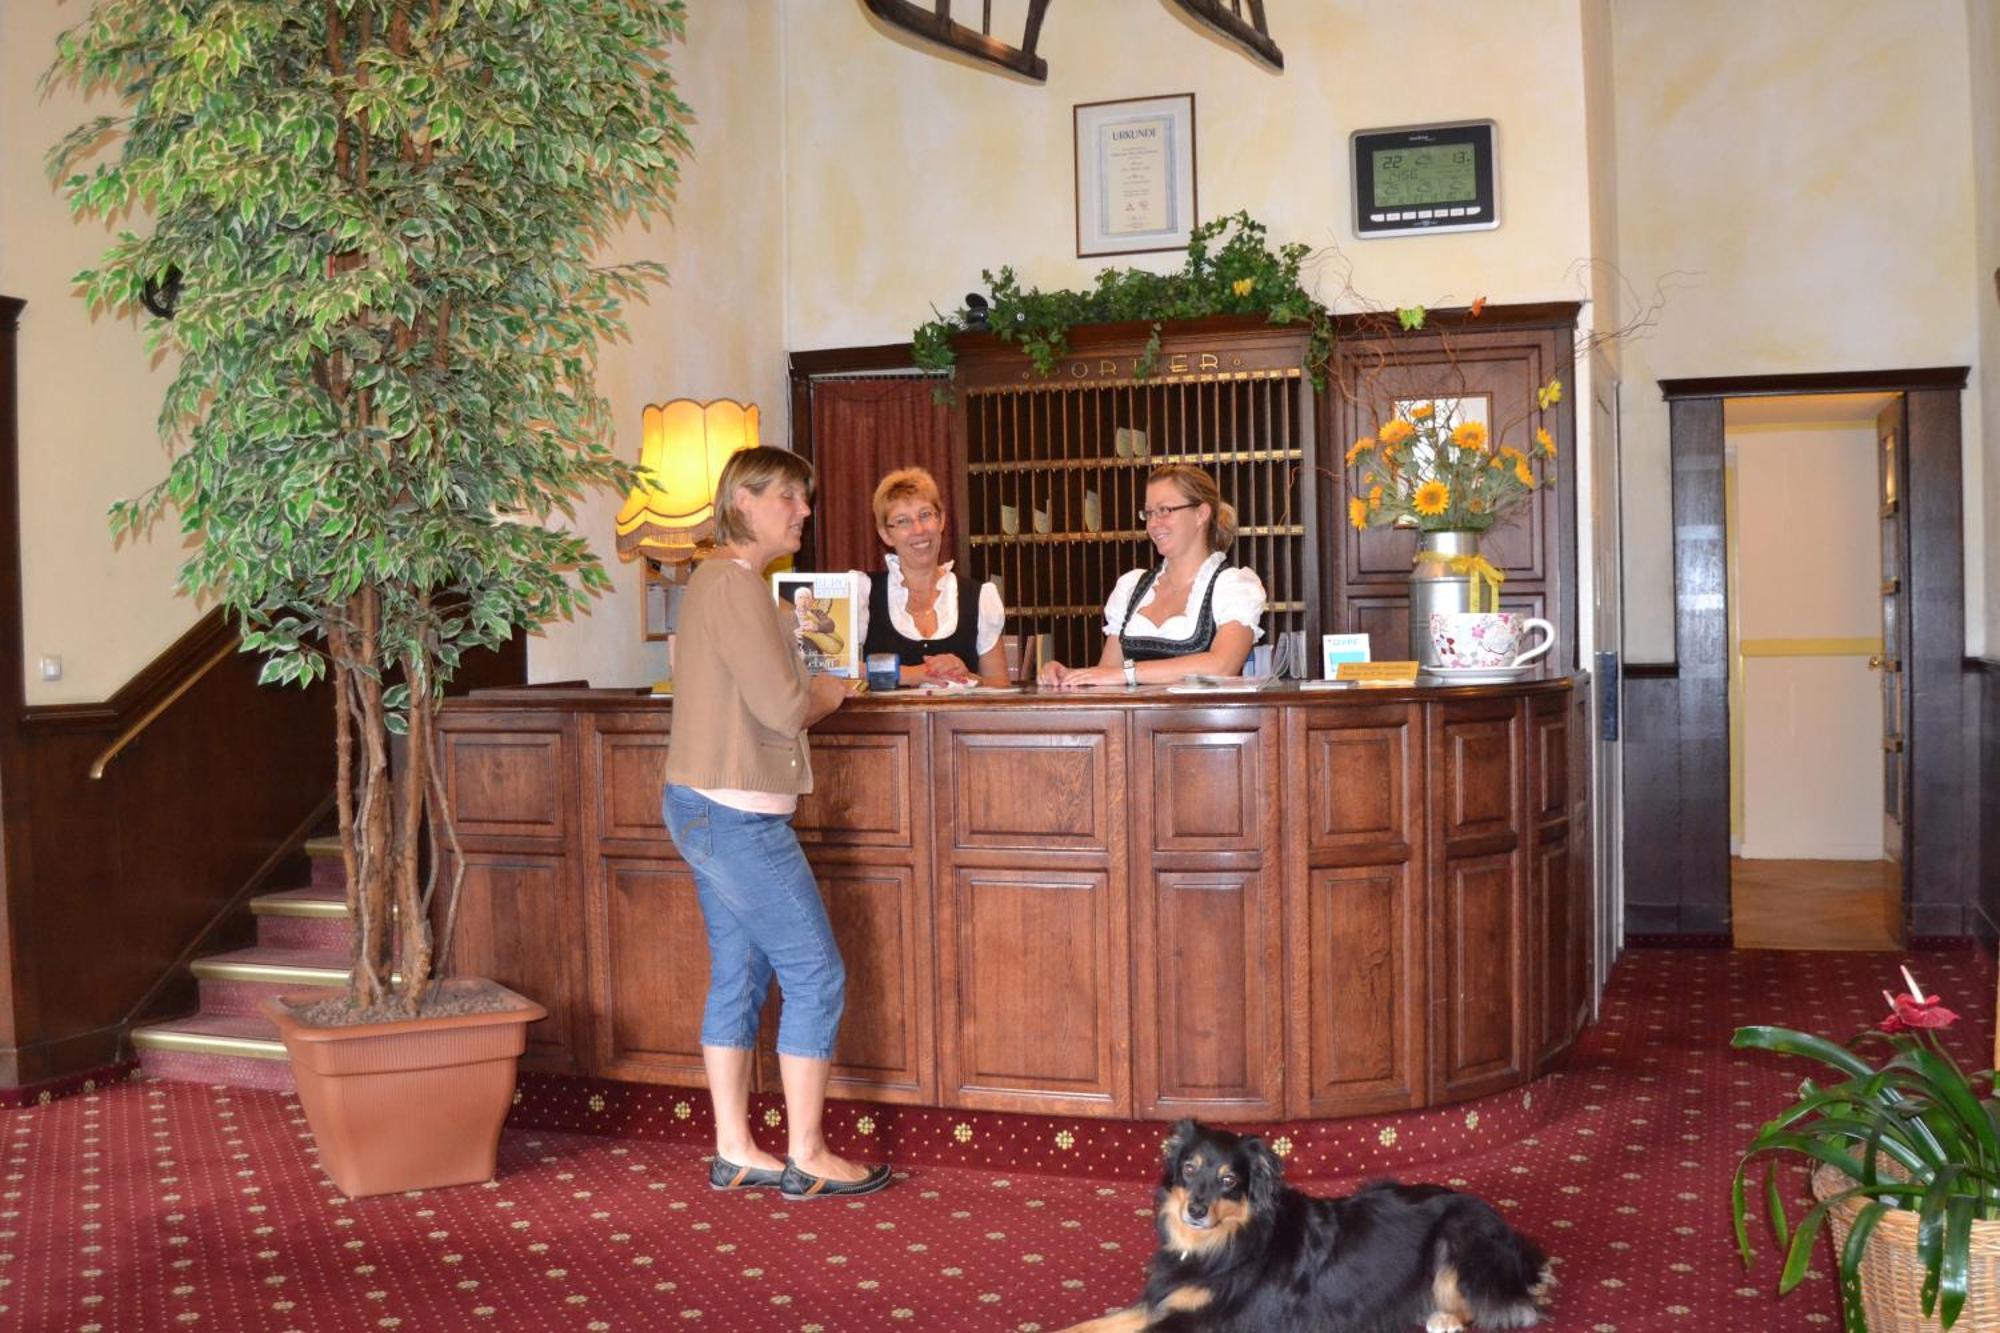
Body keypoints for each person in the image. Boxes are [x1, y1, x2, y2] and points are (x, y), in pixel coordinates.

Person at [661, 445, 892, 1200]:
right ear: (746, 499)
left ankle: (736, 1148)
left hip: (706, 803)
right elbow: (786, 708)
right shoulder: (733, 586)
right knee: (817, 974)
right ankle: (808, 1151)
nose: (804, 511)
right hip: (736, 814)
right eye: (791, 497)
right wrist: (836, 686)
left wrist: (796, 651)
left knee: (740, 973)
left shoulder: (726, 586)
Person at [1038, 463, 1265, 688]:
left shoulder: (1233, 587)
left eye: (1165, 510)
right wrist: (1071, 676)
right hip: (1136, 725)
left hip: (1202, 723)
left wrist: (1128, 673)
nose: (1153, 524)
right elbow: (1108, 676)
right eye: (1148, 513)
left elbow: (1222, 665)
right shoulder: (1132, 587)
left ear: (1201, 514)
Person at [856, 467, 1010, 687]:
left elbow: (1000, 686)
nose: (918, 529)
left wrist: (967, 677)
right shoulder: (862, 593)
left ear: (942, 521)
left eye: (926, 515)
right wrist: (912, 674)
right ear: (885, 534)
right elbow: (835, 670)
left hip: (957, 723)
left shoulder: (978, 597)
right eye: (902, 521)